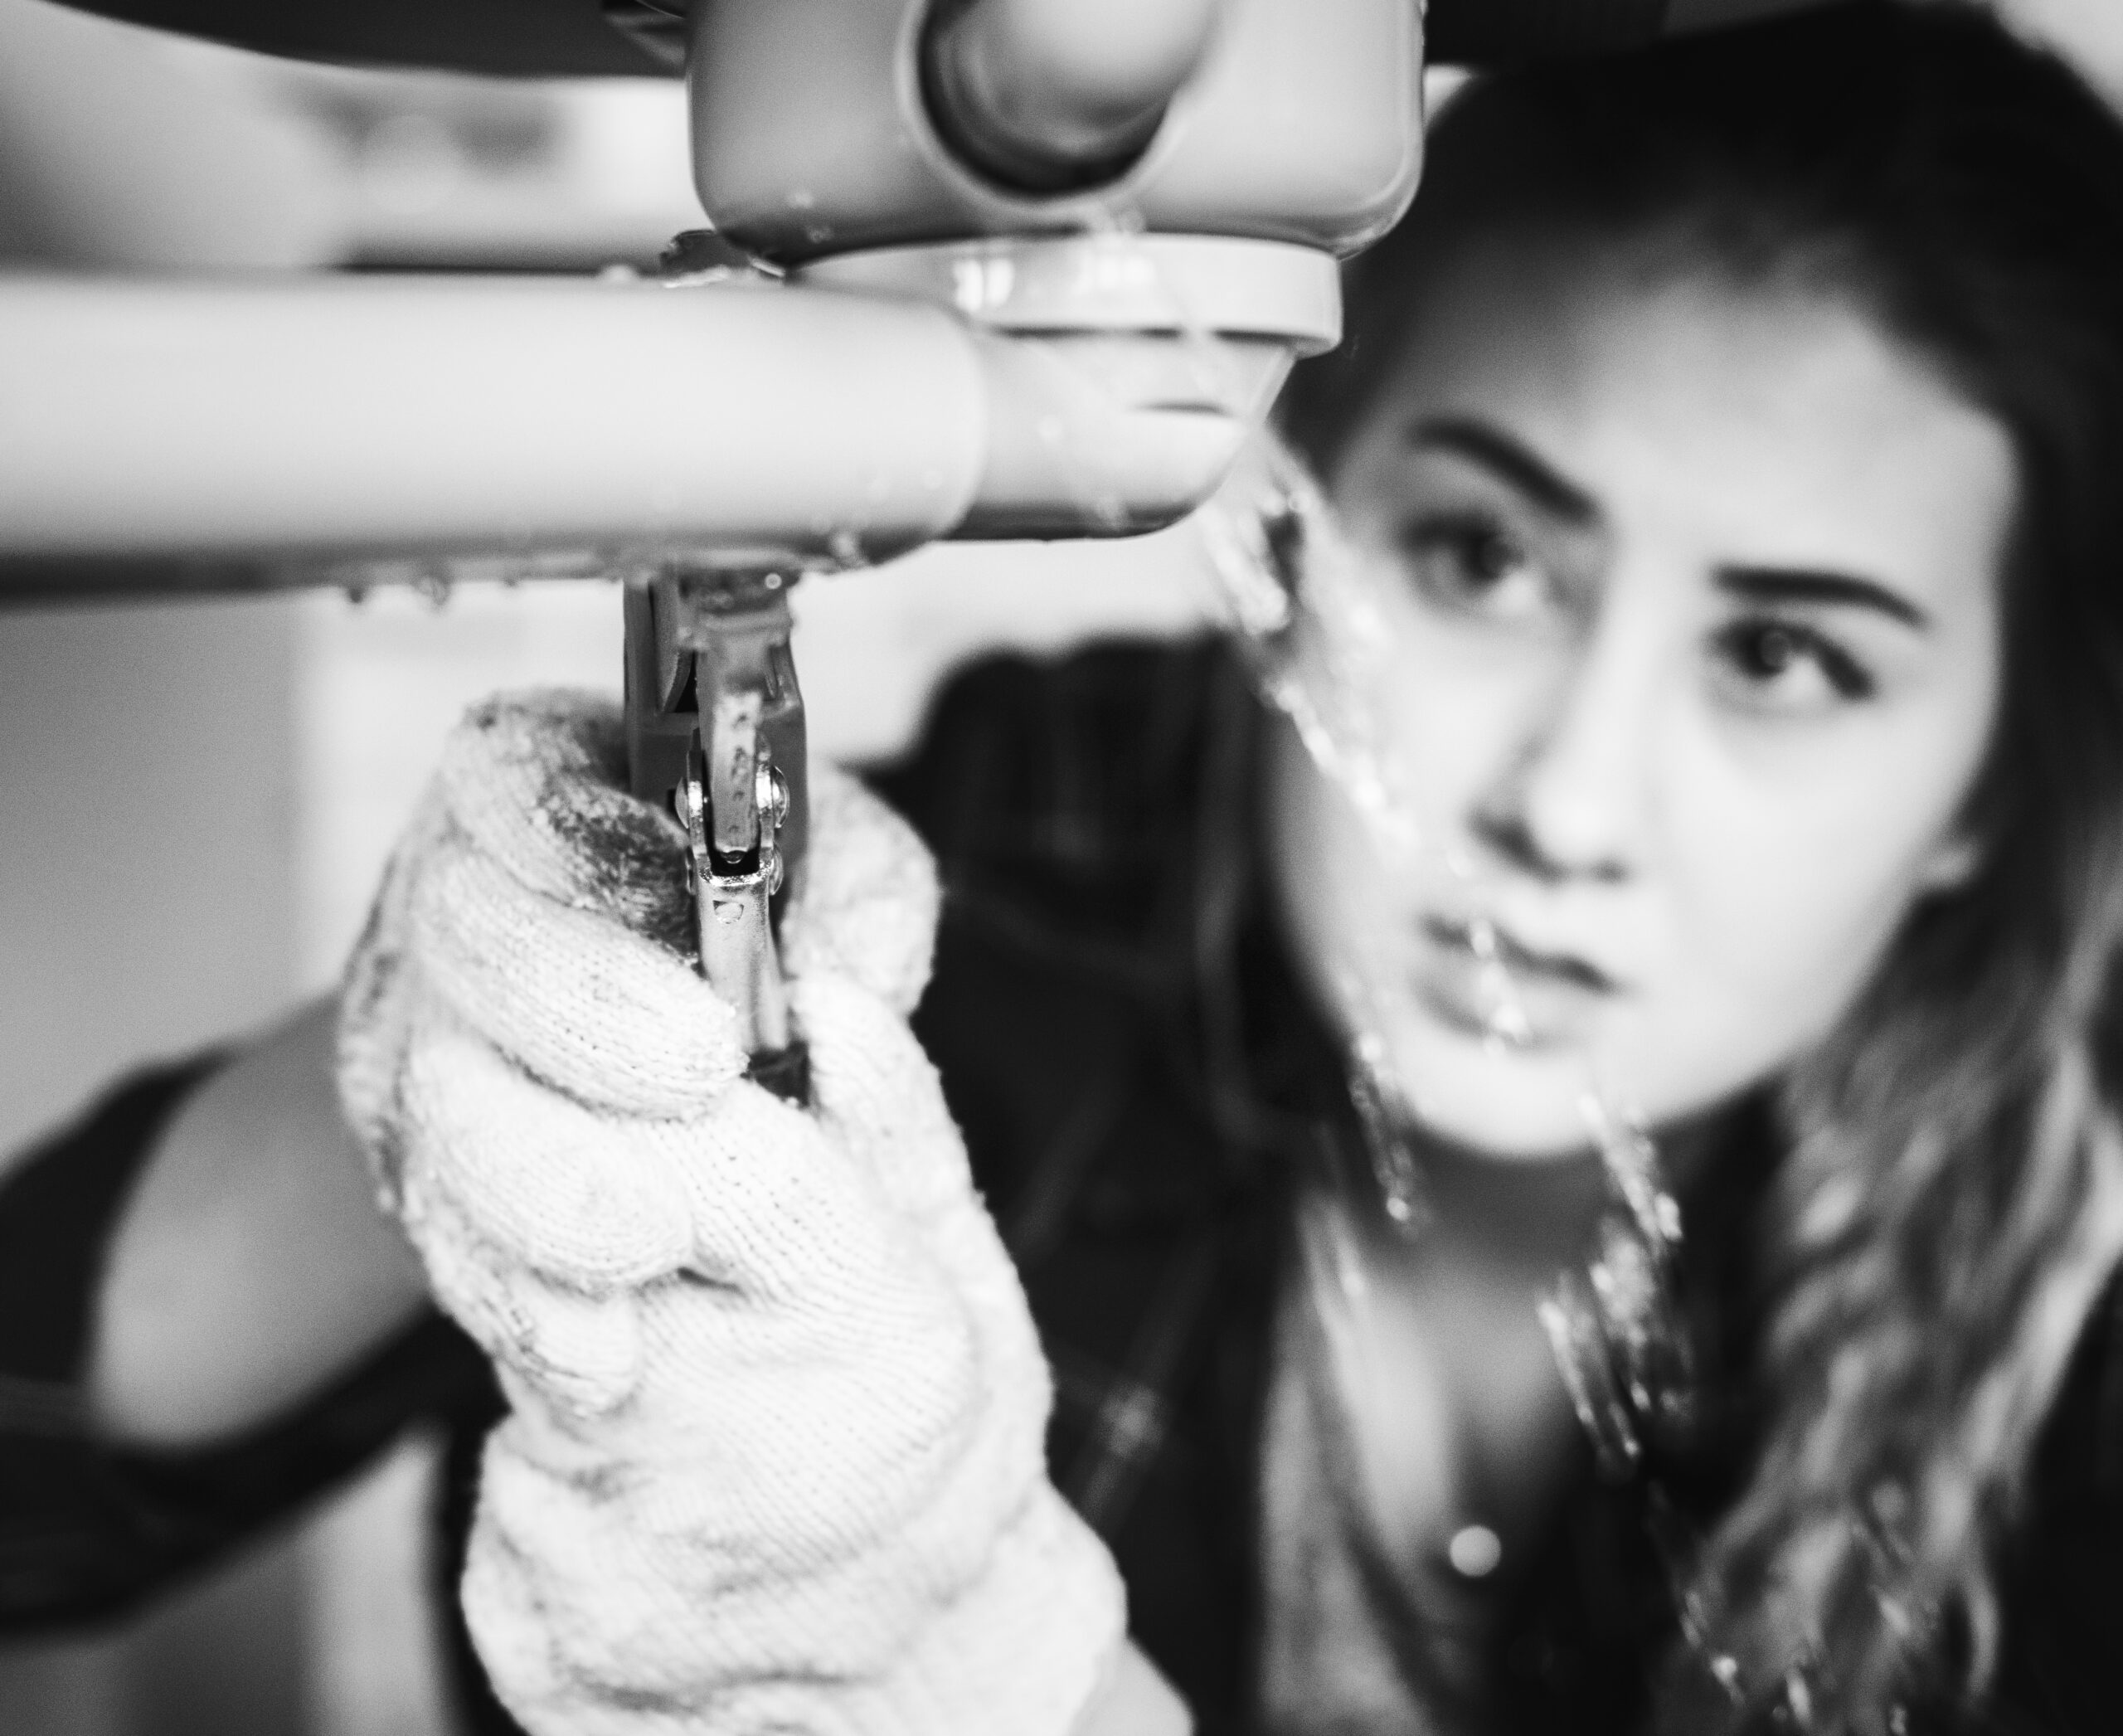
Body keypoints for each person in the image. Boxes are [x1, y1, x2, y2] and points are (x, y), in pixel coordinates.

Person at [8, 2, 2123, 1733]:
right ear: (1304, 518)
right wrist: (405, 1072)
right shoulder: (1013, 874)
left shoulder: (2074, 1350)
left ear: (1985, 786)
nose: (1563, 807)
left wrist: (995, 1687)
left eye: (1781, 656)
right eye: (1478, 556)